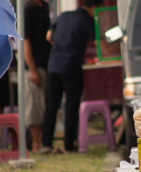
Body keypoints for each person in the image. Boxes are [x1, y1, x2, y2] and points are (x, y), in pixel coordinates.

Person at [39, 0, 103, 154]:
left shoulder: (62, 16)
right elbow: (99, 44)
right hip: (71, 67)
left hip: (54, 66)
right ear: (93, 7)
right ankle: (68, 146)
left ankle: (46, 144)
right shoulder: (86, 20)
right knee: (71, 106)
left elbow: (49, 36)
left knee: (51, 106)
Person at [23, 0, 51, 152]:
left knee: (44, 105)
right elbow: (25, 42)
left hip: (47, 63)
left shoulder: (45, 7)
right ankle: (35, 143)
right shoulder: (26, 9)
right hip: (34, 65)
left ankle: (43, 141)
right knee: (34, 104)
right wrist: (32, 69)